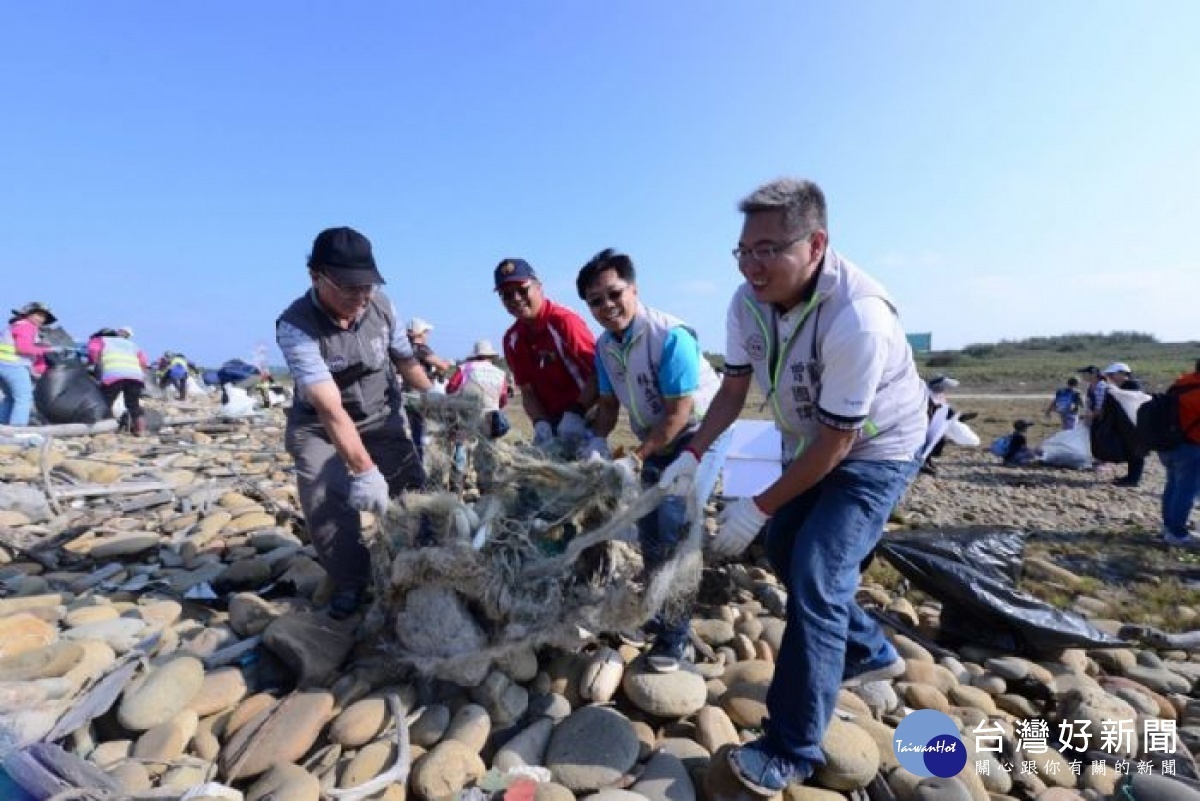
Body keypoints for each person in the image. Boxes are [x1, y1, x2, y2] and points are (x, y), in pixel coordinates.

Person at [657, 178, 926, 793]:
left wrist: (756, 506)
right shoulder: (745, 302)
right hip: (811, 440)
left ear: (816, 244)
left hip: (878, 448)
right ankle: (868, 650)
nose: (752, 265)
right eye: (743, 250)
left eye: (769, 249)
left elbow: (840, 444)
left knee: (816, 572)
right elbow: (732, 388)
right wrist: (692, 451)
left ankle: (792, 747)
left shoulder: (858, 317)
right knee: (783, 549)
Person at [575, 248, 722, 672]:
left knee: (674, 527)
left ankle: (674, 639)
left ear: (633, 289)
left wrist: (635, 459)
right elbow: (606, 405)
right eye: (595, 301)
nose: (606, 306)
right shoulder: (606, 347)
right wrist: (594, 441)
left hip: (700, 433)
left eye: (613, 293)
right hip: (657, 439)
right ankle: (660, 612)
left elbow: (678, 414)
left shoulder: (669, 335)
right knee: (649, 527)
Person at [276, 226, 433, 619]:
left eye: (367, 286)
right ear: (316, 276)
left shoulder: (381, 307)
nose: (361, 298)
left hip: (380, 413)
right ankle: (351, 581)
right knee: (324, 495)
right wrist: (363, 469)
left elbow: (406, 362)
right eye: (350, 288)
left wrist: (439, 402)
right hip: (319, 424)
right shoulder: (295, 326)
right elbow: (330, 409)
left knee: (413, 488)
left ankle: (427, 561)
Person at [495, 258, 597, 446]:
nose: (516, 298)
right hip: (552, 422)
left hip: (587, 416)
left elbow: (598, 373)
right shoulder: (512, 339)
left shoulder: (564, 321)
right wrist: (540, 422)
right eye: (507, 295)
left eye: (522, 290)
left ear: (538, 287)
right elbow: (527, 391)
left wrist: (577, 412)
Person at [445, 338, 511, 490]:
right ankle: (485, 485)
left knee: (461, 446)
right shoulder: (500, 373)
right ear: (491, 356)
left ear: (475, 355)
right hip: (490, 416)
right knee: (487, 450)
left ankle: (457, 483)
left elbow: (451, 388)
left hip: (466, 414)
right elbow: (503, 398)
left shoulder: (465, 368)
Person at [1160, 359, 1200, 546]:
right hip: (1190, 447)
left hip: (1168, 445)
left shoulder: (1180, 384)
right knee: (1186, 490)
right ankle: (1177, 533)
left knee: (1173, 486)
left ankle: (1169, 527)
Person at [404, 317, 453, 460]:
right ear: (420, 333)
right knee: (422, 431)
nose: (427, 335)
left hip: (405, 393)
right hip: (419, 394)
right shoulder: (422, 349)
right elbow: (442, 366)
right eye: (426, 332)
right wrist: (445, 364)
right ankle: (419, 462)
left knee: (411, 429)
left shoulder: (403, 348)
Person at [0, 302, 56, 426]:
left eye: (43, 316)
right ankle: (18, 429)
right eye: (38, 315)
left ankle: (3, 426)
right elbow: (23, 348)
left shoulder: (15, 325)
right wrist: (46, 350)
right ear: (28, 314)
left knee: (10, 398)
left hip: (3, 365)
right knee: (24, 398)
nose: (41, 319)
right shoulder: (27, 326)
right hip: (13, 365)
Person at [87, 326, 150, 435]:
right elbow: (144, 361)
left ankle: (103, 428)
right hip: (135, 376)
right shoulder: (131, 344)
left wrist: (94, 363)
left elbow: (93, 351)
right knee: (133, 404)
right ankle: (141, 430)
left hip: (114, 375)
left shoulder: (99, 340)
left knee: (106, 401)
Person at [1103, 362, 1145, 487]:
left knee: (1136, 453)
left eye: (1112, 374)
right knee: (1130, 452)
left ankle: (1134, 479)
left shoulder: (1132, 385)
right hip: (1128, 425)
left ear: (1122, 374)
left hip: (1136, 425)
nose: (1110, 377)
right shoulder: (1122, 386)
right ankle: (1131, 476)